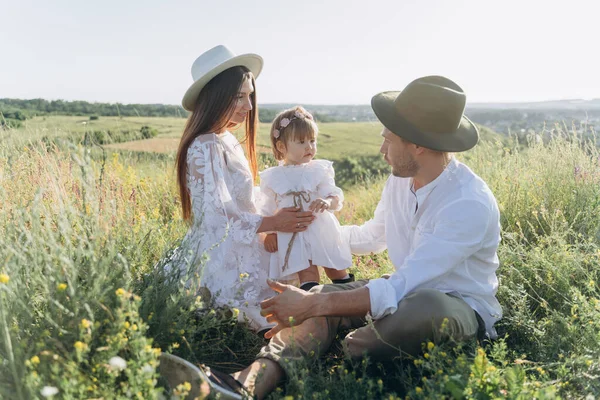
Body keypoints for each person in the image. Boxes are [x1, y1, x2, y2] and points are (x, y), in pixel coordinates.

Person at [192, 75, 503, 399]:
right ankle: (247, 384)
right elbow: (373, 236)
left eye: (389, 140)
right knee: (321, 300)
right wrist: (310, 234)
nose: (382, 150)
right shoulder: (402, 179)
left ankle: (347, 347)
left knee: (412, 306)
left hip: (454, 305)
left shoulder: (467, 203)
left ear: (418, 145)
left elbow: (406, 283)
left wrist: (316, 302)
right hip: (403, 290)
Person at [169, 45, 315, 333]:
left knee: (302, 255)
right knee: (268, 303)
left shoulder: (225, 139)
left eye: (249, 96)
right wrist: (273, 221)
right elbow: (217, 216)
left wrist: (277, 206)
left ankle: (330, 294)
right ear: (215, 97)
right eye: (239, 97)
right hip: (224, 249)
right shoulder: (205, 145)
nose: (248, 107)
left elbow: (244, 198)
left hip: (245, 235)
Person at [259, 106, 353, 291]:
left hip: (320, 227)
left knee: (334, 267)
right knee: (306, 269)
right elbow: (268, 207)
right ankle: (311, 303)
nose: (309, 147)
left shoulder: (318, 169)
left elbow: (333, 195)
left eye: (312, 140)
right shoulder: (273, 176)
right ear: (281, 146)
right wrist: (271, 232)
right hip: (293, 231)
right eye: (302, 142)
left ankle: (348, 295)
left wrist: (327, 202)